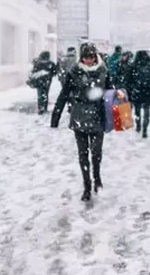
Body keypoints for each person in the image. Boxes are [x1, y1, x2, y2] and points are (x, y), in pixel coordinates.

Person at [51, 43, 113, 201]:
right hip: (79, 117)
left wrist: (118, 101)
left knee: (96, 153)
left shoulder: (103, 71)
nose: (89, 61)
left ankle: (97, 178)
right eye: (86, 57)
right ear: (81, 57)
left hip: (98, 116)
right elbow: (64, 95)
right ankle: (87, 186)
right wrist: (55, 118)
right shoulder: (74, 72)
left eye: (92, 57)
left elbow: (110, 91)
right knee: (83, 154)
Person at [124, 50, 150, 138]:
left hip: (136, 92)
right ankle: (145, 128)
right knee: (146, 112)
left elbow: (128, 81)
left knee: (137, 111)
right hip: (147, 92)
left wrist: (129, 93)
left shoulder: (133, 66)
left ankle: (138, 125)